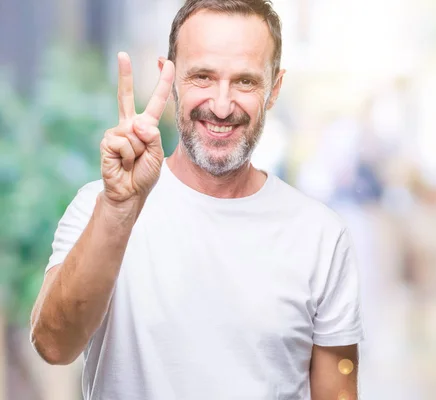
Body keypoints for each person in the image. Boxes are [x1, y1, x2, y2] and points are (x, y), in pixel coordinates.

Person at [29, 1, 364, 399]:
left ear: (274, 88)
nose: (221, 106)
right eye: (202, 77)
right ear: (168, 79)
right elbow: (53, 344)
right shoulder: (98, 206)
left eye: (245, 82)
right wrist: (118, 210)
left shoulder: (321, 236)